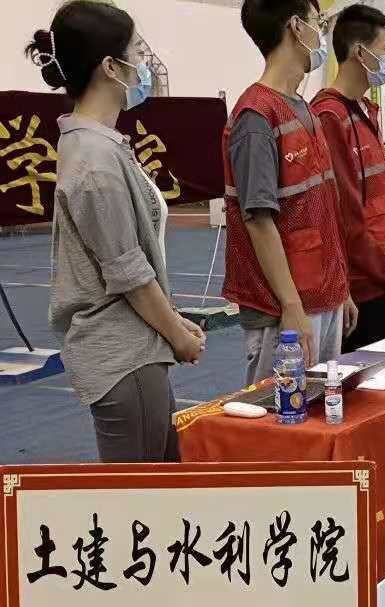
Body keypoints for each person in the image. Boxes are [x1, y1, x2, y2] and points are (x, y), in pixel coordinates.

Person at [28, 1, 205, 462]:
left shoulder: (99, 144)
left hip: (138, 348)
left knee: (158, 481)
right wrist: (178, 336)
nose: (144, 65)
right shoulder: (94, 160)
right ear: (110, 66)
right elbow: (127, 271)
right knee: (138, 494)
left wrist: (171, 323)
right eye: (137, 54)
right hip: (124, 358)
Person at [223, 0, 354, 385]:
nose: (322, 34)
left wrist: (340, 288)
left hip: (321, 294)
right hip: (284, 308)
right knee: (280, 414)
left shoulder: (303, 109)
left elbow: (320, 210)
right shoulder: (256, 117)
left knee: (321, 409)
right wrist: (290, 304)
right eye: (318, 22)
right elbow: (259, 220)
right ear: (297, 27)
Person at [312, 5, 385, 351]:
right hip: (363, 289)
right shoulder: (330, 116)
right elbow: (346, 216)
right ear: (360, 52)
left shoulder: (366, 112)